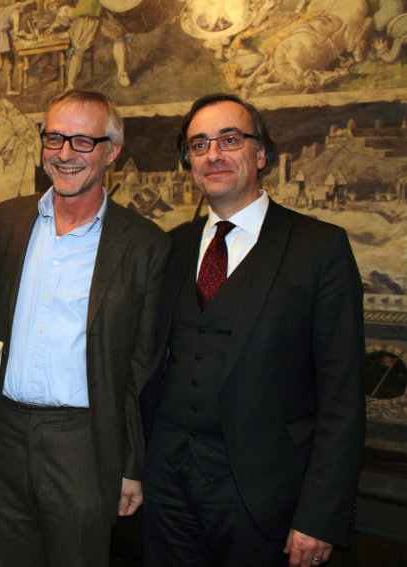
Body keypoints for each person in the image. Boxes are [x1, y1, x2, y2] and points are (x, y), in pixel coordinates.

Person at [140, 93, 365, 567]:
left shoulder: (319, 248)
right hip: (167, 492)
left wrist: (320, 514)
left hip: (263, 500)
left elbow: (342, 395)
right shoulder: (172, 247)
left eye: (230, 139)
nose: (214, 154)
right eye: (199, 145)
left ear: (260, 154)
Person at [0, 89, 170, 565]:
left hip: (83, 444)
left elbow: (141, 369)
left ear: (112, 152)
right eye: (55, 138)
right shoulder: (9, 220)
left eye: (82, 141)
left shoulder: (144, 245)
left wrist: (132, 464)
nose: (65, 154)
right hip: (1, 435)